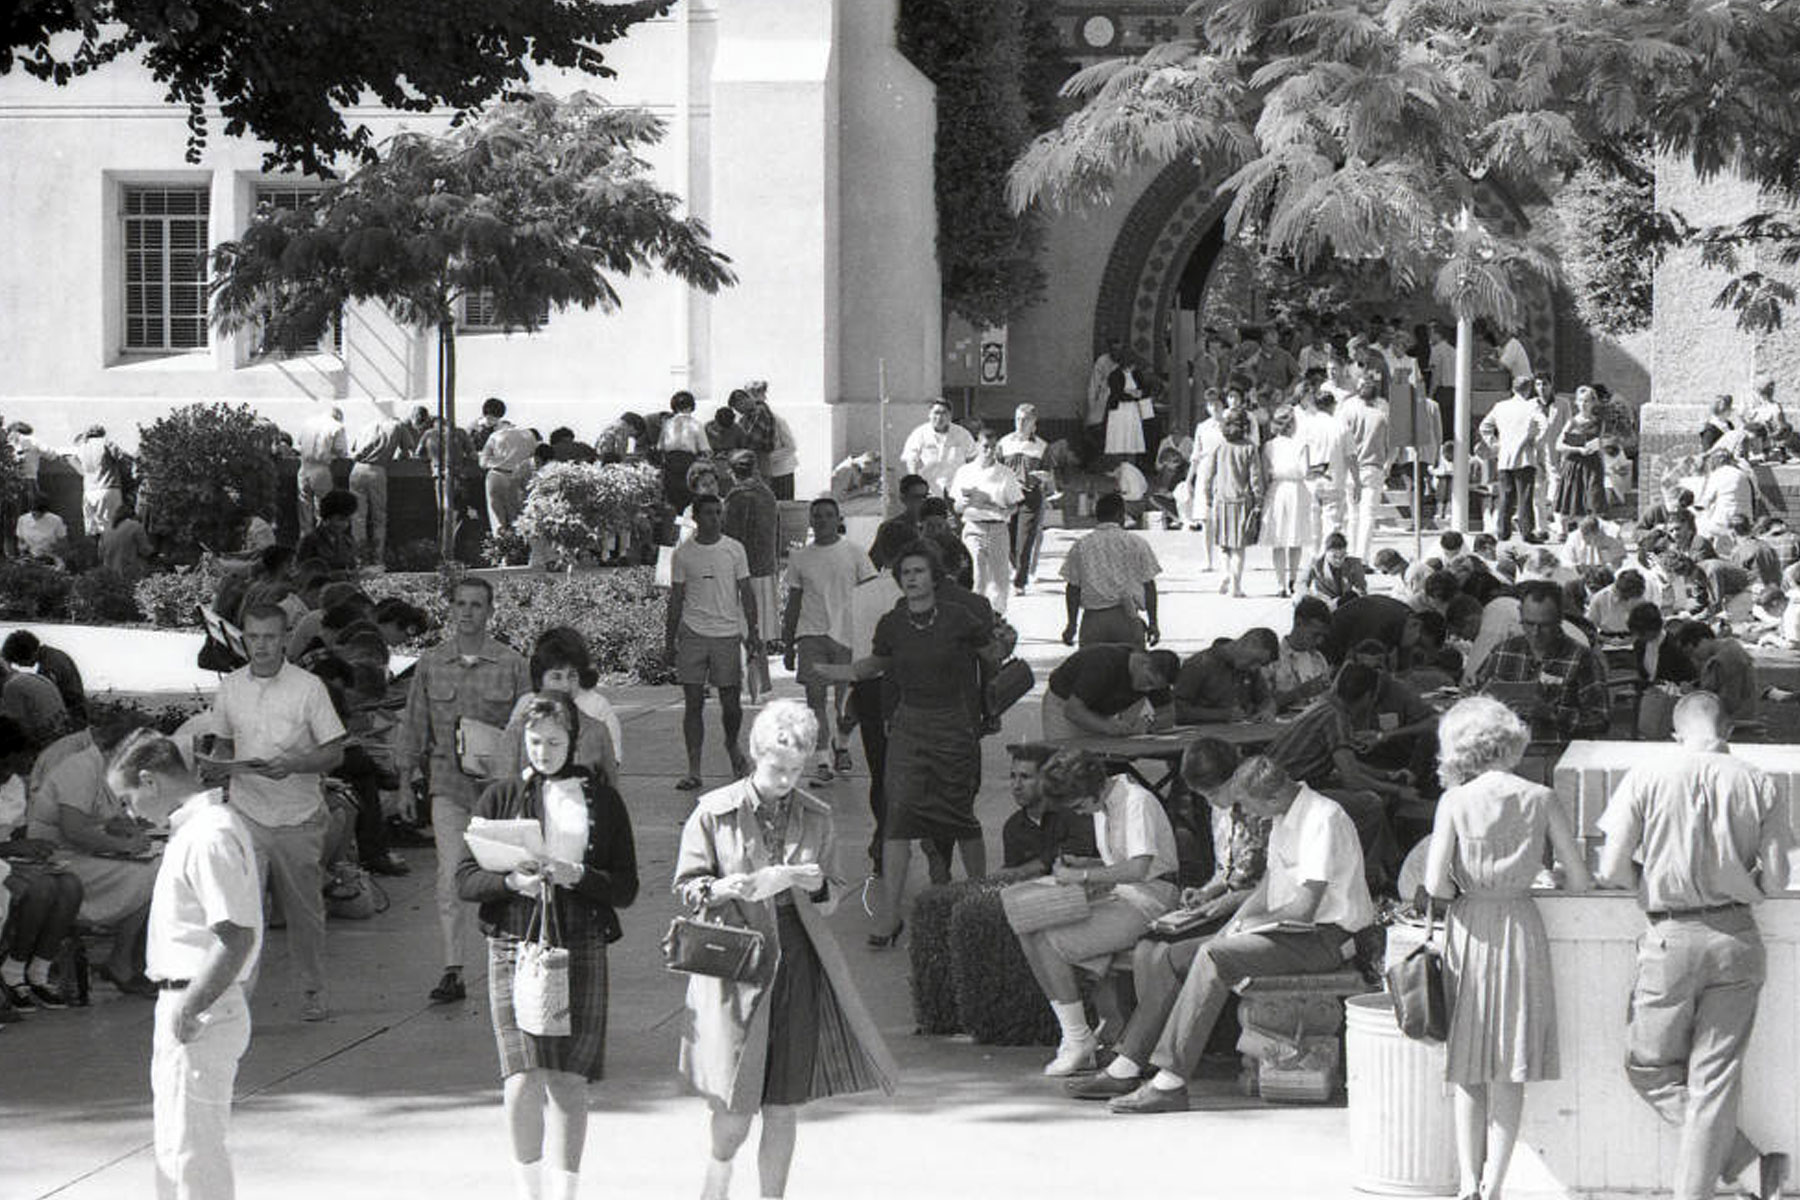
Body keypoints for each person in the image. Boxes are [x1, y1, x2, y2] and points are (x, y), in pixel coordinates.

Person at [674, 700, 897, 1200]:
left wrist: (815, 886)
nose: (786, 780)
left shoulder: (816, 815)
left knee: (782, 1103)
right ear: (756, 754)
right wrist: (730, 887)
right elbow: (688, 886)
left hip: (797, 960)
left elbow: (835, 891)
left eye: (795, 770)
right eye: (777, 769)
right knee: (733, 1112)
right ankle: (718, 1178)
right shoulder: (713, 812)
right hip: (734, 964)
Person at [1597, 692, 1793, 1200]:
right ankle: (1746, 1171)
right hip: (1737, 940)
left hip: (1670, 936)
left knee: (1648, 1068)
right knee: (1716, 1081)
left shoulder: (1645, 776)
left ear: (1676, 733)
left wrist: (1655, 879)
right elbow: (1776, 880)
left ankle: (1739, 1172)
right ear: (1727, 729)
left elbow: (1609, 868)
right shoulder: (1760, 782)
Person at [1105, 754, 1374, 1113]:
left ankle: (1171, 1082)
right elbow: (1269, 885)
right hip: (1292, 933)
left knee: (1214, 956)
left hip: (1326, 937)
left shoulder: (1323, 819)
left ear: (1273, 797)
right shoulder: (1284, 813)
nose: (1248, 815)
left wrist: (1248, 927)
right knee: (1173, 957)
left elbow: (1305, 909)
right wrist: (1234, 926)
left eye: (1249, 806)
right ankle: (1129, 1065)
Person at [454, 692, 638, 1200]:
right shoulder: (500, 796)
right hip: (514, 940)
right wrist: (512, 882)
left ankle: (566, 1192)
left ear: (574, 740)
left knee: (570, 1077)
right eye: (535, 741)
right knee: (521, 1073)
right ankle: (528, 1190)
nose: (544, 751)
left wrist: (577, 874)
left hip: (579, 937)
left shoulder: (603, 800)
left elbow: (626, 887)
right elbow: (465, 880)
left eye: (555, 741)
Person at [1424, 697, 1592, 1200]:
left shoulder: (1454, 801)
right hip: (1520, 925)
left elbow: (1436, 883)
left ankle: (1465, 1185)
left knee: (1468, 1065)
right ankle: (1494, 1186)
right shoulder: (1540, 796)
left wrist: (1471, 885)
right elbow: (1579, 881)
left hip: (1471, 926)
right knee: (1509, 1066)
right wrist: (1543, 875)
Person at [1064, 739, 1272, 1100]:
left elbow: (1267, 886)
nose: (1214, 803)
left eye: (1216, 793)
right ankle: (1139, 1059)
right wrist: (1207, 893)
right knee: (1148, 948)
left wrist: (1220, 905)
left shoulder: (1261, 812)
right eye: (1205, 796)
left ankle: (1136, 1062)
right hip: (1227, 905)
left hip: (1249, 913)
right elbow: (1227, 871)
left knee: (1163, 956)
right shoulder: (1222, 810)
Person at [106, 729, 261, 1200]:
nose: (130, 813)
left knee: (192, 1155)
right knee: (179, 1148)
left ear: (150, 781)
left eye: (128, 798)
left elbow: (235, 934)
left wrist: (192, 1008)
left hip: (196, 1001)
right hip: (194, 999)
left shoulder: (208, 835)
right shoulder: (200, 829)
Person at [816, 540, 993, 946]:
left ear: (934, 576)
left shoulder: (959, 617)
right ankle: (889, 915)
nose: (911, 578)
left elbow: (992, 658)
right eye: (905, 573)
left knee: (960, 815)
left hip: (953, 724)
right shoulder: (892, 623)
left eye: (918, 571)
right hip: (909, 727)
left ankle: (982, 901)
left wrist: (1002, 647)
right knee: (898, 820)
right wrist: (837, 672)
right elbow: (874, 666)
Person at [393, 577, 532, 1006]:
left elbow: (530, 727)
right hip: (448, 786)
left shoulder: (512, 664)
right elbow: (415, 724)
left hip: (499, 792)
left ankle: (517, 958)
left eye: (476, 604)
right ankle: (453, 967)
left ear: (490, 612)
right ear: (450, 610)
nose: (467, 611)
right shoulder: (432, 664)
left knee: (508, 876)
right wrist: (404, 783)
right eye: (460, 604)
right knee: (449, 875)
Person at [205, 602, 344, 1022]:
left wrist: (297, 765)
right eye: (252, 637)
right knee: (245, 913)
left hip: (298, 817)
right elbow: (224, 743)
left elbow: (335, 751)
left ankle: (312, 990)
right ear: (242, 637)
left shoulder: (309, 688)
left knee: (304, 913)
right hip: (247, 813)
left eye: (269, 637)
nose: (260, 646)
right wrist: (217, 763)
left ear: (285, 638)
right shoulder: (230, 686)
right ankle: (238, 1001)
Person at [1010, 749, 1181, 1076]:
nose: (1080, 813)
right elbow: (1122, 863)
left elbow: (1140, 867)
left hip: (1153, 900)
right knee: (1028, 926)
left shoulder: (1135, 801)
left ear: (1093, 791)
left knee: (1049, 940)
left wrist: (1084, 876)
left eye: (1078, 806)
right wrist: (1087, 865)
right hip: (1125, 894)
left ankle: (1078, 1039)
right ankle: (1074, 1035)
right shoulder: (1104, 802)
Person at [26, 716, 156, 994]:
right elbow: (74, 830)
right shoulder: (80, 767)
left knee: (158, 866)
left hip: (77, 853)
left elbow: (103, 816)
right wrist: (125, 846)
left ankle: (130, 958)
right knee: (149, 874)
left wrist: (127, 829)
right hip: (53, 858)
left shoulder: (103, 768)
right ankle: (122, 960)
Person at [668, 491, 761, 788]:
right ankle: (694, 769)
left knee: (731, 704)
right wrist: (668, 642)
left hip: (727, 634)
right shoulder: (683, 553)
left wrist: (754, 633)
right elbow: (676, 599)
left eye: (718, 513)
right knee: (693, 703)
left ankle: (732, 747)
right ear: (696, 518)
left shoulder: (735, 549)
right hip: (693, 633)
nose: (715, 518)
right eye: (708, 513)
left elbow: (746, 592)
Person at [781, 496, 877, 784]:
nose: (822, 520)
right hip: (812, 635)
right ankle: (823, 760)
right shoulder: (800, 558)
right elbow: (793, 602)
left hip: (847, 637)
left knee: (846, 704)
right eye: (817, 516)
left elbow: (871, 595)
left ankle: (842, 745)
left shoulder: (855, 553)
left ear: (838, 520)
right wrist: (788, 643)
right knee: (815, 700)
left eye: (828, 515)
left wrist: (871, 635)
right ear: (811, 521)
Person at [1475, 580, 1610, 739]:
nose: (1535, 633)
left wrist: (1550, 714)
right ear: (1520, 614)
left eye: (1545, 625)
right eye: (1529, 623)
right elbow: (1477, 698)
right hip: (1507, 752)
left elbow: (1600, 721)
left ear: (1560, 619)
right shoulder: (1502, 651)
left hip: (1558, 753)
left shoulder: (1582, 659)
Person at [492, 628, 622, 791]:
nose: (565, 685)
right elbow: (505, 773)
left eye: (572, 676)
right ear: (540, 680)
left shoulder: (597, 713)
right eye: (556, 677)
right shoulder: (524, 711)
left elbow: (610, 775)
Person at [1059, 492, 1162, 647]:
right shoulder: (1137, 543)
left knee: (1093, 668)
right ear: (1121, 515)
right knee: (1130, 668)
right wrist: (1153, 623)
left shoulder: (1081, 545)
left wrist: (1071, 625)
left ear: (1097, 516)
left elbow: (1073, 588)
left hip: (1093, 621)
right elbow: (1149, 585)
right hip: (1128, 617)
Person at [993, 743, 1100, 877]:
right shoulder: (1013, 827)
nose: (1016, 786)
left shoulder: (1075, 809)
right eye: (1013, 776)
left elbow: (1077, 854)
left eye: (1025, 777)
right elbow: (1012, 875)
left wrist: (1022, 871)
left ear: (1046, 780)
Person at [950, 425, 1024, 614]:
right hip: (974, 528)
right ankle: (975, 619)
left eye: (993, 447)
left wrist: (1001, 509)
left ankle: (998, 618)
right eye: (985, 446)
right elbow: (956, 507)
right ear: (977, 446)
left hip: (998, 529)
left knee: (999, 581)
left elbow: (1016, 504)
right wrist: (965, 502)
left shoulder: (1006, 474)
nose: (989, 451)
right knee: (978, 576)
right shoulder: (964, 472)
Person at [1039, 645, 1179, 739]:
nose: (1148, 690)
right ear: (1144, 662)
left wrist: (1148, 725)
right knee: (1064, 764)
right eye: (1148, 682)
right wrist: (1108, 727)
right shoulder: (1103, 664)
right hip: (1064, 704)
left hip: (1100, 711)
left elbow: (1168, 714)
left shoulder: (1157, 676)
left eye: (1155, 688)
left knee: (1102, 765)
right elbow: (1073, 711)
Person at [1198, 408, 1265, 597]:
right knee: (1239, 547)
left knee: (1223, 545)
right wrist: (1259, 500)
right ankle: (1236, 585)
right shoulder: (1249, 447)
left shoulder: (1219, 446)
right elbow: (1255, 478)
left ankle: (1225, 574)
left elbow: (1208, 475)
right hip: (1242, 502)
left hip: (1221, 500)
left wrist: (1208, 497)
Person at [723, 450, 782, 647]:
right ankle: (760, 678)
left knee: (742, 635)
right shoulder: (768, 494)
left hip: (744, 574)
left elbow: (730, 536)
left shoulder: (737, 496)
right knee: (759, 639)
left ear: (732, 472)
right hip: (765, 569)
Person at [1480, 377, 1549, 543]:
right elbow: (1544, 425)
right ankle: (1527, 531)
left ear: (1513, 389)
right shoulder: (1532, 406)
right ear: (1528, 389)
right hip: (1525, 456)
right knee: (1525, 495)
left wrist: (1495, 444)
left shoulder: (1500, 407)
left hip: (1505, 456)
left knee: (1506, 495)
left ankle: (1503, 531)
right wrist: (1537, 442)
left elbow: (1485, 426)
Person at [346, 409, 417, 567]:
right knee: (379, 518)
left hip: (356, 469)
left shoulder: (367, 426)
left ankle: (360, 561)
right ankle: (378, 560)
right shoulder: (398, 425)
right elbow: (409, 451)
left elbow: (354, 450)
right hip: (377, 470)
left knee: (358, 518)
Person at [1260, 404, 1315, 596]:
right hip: (1296, 490)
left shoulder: (1269, 446)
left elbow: (1265, 473)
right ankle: (1292, 579)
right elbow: (1306, 472)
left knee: (1278, 539)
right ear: (1292, 425)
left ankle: (1280, 583)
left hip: (1276, 489)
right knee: (1294, 537)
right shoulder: (1301, 445)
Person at [1172, 630, 1278, 724]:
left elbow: (1266, 699)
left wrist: (1267, 711)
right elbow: (1177, 710)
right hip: (1205, 738)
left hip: (1244, 735)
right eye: (1255, 660)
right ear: (1246, 643)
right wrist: (1221, 715)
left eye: (1261, 664)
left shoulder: (1249, 669)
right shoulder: (1198, 664)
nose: (1255, 668)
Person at [1338, 378, 1392, 561]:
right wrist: (1388, 464)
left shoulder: (1348, 413)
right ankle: (1363, 556)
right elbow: (1392, 446)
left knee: (1352, 515)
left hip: (1351, 468)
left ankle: (1351, 553)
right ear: (1376, 398)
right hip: (1373, 467)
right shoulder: (1382, 416)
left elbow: (1341, 443)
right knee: (1368, 515)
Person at [1000, 404, 1053, 591]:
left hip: (1030, 497)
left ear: (1034, 423)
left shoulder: (1042, 446)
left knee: (1025, 540)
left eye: (1025, 420)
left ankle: (1020, 582)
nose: (1020, 423)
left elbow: (1049, 473)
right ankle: (1016, 568)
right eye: (1018, 419)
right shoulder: (1004, 443)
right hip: (1007, 498)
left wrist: (1045, 477)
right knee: (1008, 541)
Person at [477, 401, 541, 534]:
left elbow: (483, 462)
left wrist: (499, 462)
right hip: (521, 478)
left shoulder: (495, 436)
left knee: (499, 520)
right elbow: (535, 457)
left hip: (498, 476)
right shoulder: (528, 435)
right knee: (519, 517)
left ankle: (500, 544)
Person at [2, 629, 86, 729]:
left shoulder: (49, 667)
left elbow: (43, 699)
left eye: (18, 662)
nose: (20, 665)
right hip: (75, 713)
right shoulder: (52, 654)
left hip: (71, 718)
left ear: (26, 655)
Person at [1267, 595, 1335, 711]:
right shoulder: (1272, 658)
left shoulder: (1318, 659)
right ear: (1299, 623)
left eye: (1323, 636)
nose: (1319, 641)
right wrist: (1299, 693)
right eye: (1315, 634)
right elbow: (1262, 705)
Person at [1553, 386, 1607, 528]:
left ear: (1593, 403)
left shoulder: (1599, 422)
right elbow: (1559, 445)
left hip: (1593, 465)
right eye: (1581, 401)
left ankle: (1593, 530)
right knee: (1573, 502)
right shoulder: (1572, 422)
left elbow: (1601, 443)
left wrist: (1603, 462)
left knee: (1594, 500)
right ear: (1576, 402)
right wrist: (1578, 449)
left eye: (1587, 401)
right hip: (1575, 465)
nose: (1584, 404)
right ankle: (1566, 531)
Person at [899, 398, 976, 498]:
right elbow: (911, 459)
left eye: (944, 413)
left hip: (956, 489)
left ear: (950, 415)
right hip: (929, 490)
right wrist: (915, 484)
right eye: (936, 413)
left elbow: (972, 459)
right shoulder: (920, 434)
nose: (939, 417)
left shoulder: (962, 434)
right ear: (929, 414)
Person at [72, 424, 130, 539]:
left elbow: (72, 459)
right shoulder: (106, 443)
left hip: (89, 491)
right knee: (114, 528)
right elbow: (123, 459)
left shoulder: (83, 446)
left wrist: (84, 473)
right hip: (109, 487)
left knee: (94, 530)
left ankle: (100, 554)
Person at [295, 406, 347, 535]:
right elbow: (342, 451)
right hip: (321, 468)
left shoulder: (308, 423)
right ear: (338, 417)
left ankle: (305, 543)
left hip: (304, 467)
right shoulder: (337, 426)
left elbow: (299, 443)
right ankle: (322, 543)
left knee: (304, 508)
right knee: (323, 509)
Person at [869, 473, 930, 570]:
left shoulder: (937, 526)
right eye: (916, 497)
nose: (923, 502)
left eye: (925, 497)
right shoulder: (890, 529)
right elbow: (872, 566)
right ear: (903, 499)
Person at [294, 488, 360, 574]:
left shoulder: (348, 541)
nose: (345, 525)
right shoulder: (310, 541)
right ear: (327, 517)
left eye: (348, 520)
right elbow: (302, 573)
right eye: (341, 519)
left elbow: (352, 567)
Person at [1304, 531, 1368, 606]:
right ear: (1326, 552)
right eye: (1334, 557)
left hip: (1346, 604)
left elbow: (1362, 591)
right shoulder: (1315, 564)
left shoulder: (1355, 564)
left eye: (1342, 556)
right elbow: (1301, 586)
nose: (1339, 560)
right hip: (1323, 605)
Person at [98, 504, 155, 579]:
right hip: (129, 571)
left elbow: (100, 554)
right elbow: (145, 550)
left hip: (110, 574)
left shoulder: (107, 529)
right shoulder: (135, 526)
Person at [14, 491, 67, 563]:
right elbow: (20, 541)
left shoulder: (56, 520)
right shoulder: (22, 519)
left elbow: (63, 543)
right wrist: (22, 548)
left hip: (50, 559)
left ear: (45, 511)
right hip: (29, 559)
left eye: (39, 513)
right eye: (33, 511)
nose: (35, 514)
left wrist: (54, 553)